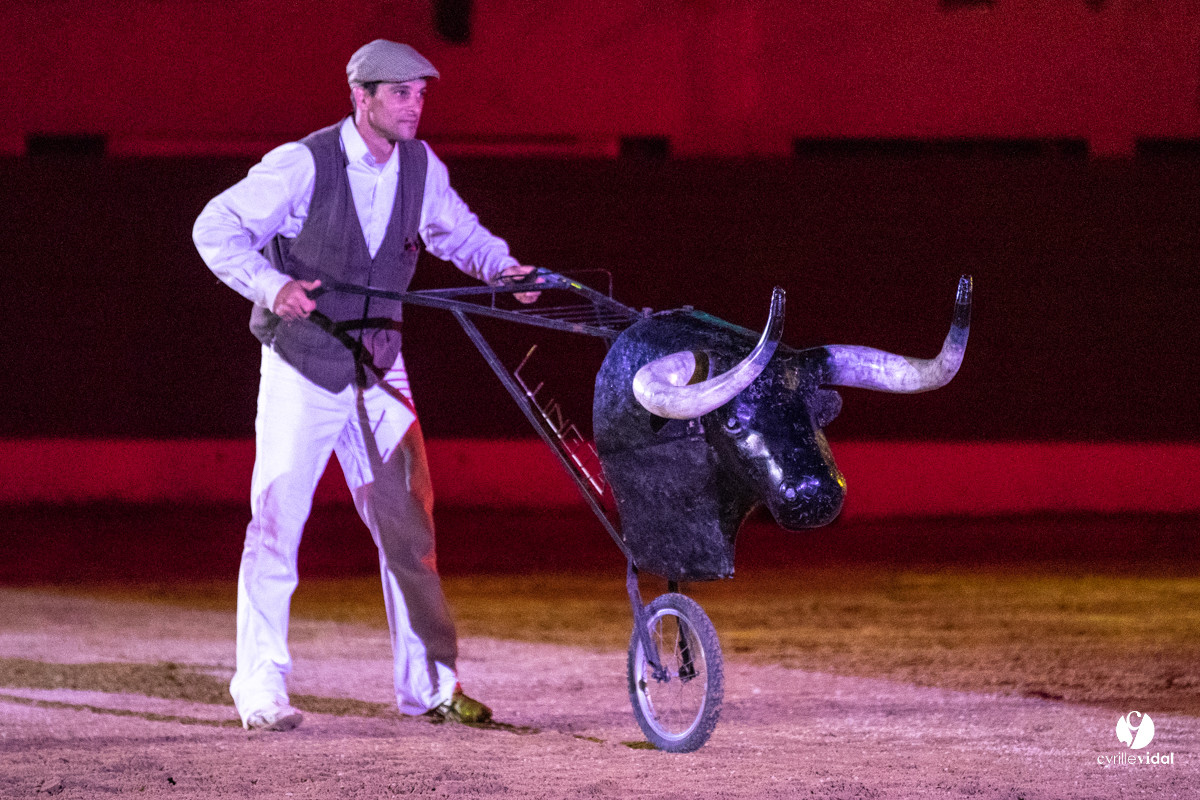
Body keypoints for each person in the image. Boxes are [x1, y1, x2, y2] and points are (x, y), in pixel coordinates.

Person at [193, 39, 536, 731]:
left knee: (409, 527)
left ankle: (431, 687)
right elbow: (216, 226)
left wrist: (504, 270)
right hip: (304, 365)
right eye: (402, 93)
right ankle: (258, 687)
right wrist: (270, 283)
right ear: (363, 97)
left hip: (379, 365)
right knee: (277, 522)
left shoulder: (420, 165)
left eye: (420, 93)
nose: (416, 104)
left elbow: (457, 234)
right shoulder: (302, 163)